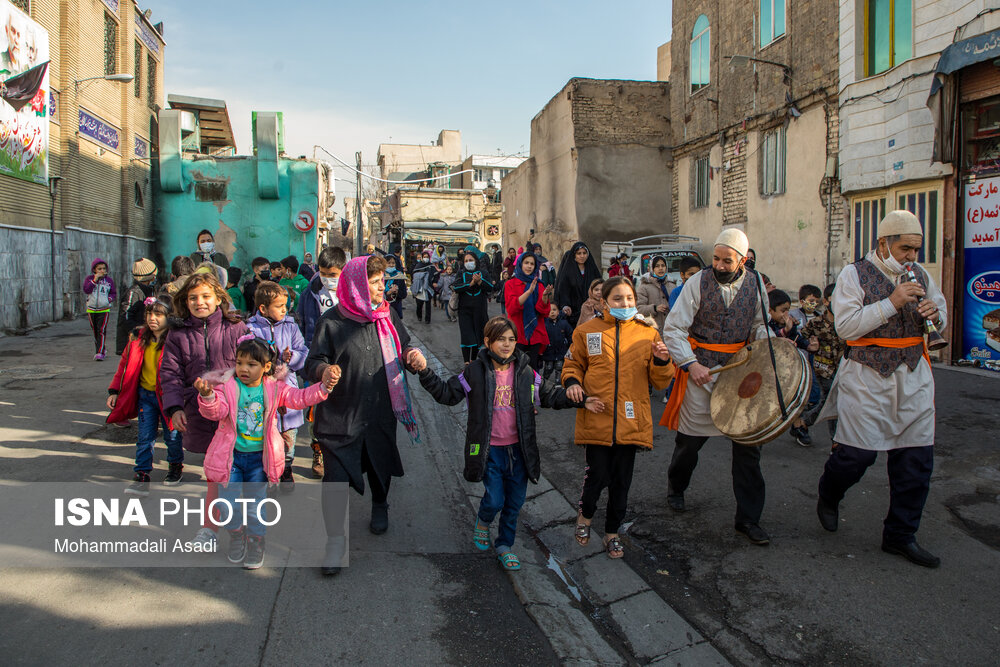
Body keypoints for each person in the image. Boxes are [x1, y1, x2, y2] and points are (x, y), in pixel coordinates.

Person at [815, 210, 946, 568]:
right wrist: (893, 302)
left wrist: (937, 314)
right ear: (883, 243)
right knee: (856, 456)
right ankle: (829, 493)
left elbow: (941, 310)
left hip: (914, 375)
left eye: (916, 250)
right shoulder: (853, 274)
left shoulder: (919, 274)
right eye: (905, 248)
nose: (911, 257)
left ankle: (900, 535)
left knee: (915, 460)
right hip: (868, 376)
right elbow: (845, 327)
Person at [418, 316, 601, 571]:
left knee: (514, 502)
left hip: (520, 450)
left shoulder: (525, 371)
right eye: (500, 339)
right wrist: (424, 372)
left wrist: (580, 400)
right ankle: (483, 520)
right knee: (494, 499)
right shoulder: (474, 372)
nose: (506, 345)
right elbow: (447, 394)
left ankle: (505, 545)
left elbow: (549, 394)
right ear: (487, 342)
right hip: (488, 450)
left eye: (511, 339)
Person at [304, 255, 427, 576]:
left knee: (379, 463)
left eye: (382, 280)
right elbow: (312, 361)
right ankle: (334, 541)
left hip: (379, 412)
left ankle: (379, 503)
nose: (381, 286)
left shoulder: (387, 317)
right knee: (334, 480)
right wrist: (324, 370)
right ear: (358, 284)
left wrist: (412, 356)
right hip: (338, 416)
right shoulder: (332, 321)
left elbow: (405, 347)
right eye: (374, 282)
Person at [660, 229, 773, 545]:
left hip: (740, 375)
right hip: (702, 372)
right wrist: (690, 363)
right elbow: (674, 329)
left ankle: (748, 519)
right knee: (689, 445)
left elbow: (760, 324)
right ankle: (676, 486)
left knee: (749, 449)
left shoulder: (756, 284)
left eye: (728, 260)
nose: (720, 266)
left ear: (743, 259)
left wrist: (765, 345)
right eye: (717, 259)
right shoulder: (697, 283)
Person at [196, 336, 337, 569]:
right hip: (230, 458)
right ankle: (236, 535)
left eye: (251, 364)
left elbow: (299, 398)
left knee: (255, 506)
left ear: (266, 367)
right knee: (225, 505)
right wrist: (207, 397)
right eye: (239, 363)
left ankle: (256, 541)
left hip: (258, 460)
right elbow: (216, 412)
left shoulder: (274, 388)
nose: (243, 369)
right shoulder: (227, 386)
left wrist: (323, 388)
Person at [564, 276, 674, 559]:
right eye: (617, 299)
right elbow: (573, 363)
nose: (625, 304)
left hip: (631, 418)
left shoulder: (647, 333)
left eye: (629, 299)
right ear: (604, 302)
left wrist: (662, 361)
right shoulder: (587, 332)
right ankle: (585, 516)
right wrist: (573, 383)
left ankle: (612, 532)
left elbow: (660, 382)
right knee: (597, 475)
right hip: (597, 414)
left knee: (622, 481)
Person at [160, 268, 250, 548]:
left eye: (206, 296)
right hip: (198, 410)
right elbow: (170, 375)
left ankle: (222, 528)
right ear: (185, 302)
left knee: (231, 473)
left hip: (237, 414)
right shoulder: (176, 335)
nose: (200, 302)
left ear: (219, 297)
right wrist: (175, 407)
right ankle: (218, 529)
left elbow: (254, 365)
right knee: (217, 473)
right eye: (193, 298)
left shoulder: (236, 327)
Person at [107, 296, 183, 494]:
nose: (152, 318)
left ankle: (175, 466)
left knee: (172, 436)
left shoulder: (176, 340)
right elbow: (124, 366)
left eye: (158, 314)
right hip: (146, 395)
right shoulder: (138, 338)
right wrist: (114, 391)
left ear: (169, 317)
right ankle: (141, 475)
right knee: (144, 436)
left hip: (169, 397)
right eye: (150, 313)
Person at [247, 281, 310, 492]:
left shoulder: (291, 326)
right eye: (279, 305)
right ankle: (268, 470)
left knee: (289, 434)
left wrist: (292, 358)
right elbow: (246, 357)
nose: (284, 309)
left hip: (288, 390)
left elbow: (303, 352)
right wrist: (269, 360)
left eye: (286, 305)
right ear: (263, 308)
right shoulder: (251, 328)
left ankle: (287, 468)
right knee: (267, 434)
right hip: (262, 391)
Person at [298, 245, 348, 478]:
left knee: (343, 411)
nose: (327, 279)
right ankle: (318, 453)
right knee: (316, 412)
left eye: (332, 274)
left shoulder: (353, 293)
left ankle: (341, 452)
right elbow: (302, 325)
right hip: (317, 360)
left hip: (345, 362)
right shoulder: (309, 294)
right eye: (323, 273)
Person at [767, 289, 820, 447]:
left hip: (792, 367)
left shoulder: (789, 323)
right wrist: (785, 331)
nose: (786, 314)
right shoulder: (766, 324)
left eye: (788, 310)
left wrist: (810, 346)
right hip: (772, 371)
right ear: (770, 310)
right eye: (783, 311)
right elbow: (771, 337)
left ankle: (798, 425)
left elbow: (799, 340)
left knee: (804, 397)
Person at [800, 283, 844, 441]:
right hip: (823, 368)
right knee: (833, 400)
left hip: (841, 368)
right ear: (826, 302)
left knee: (832, 400)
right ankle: (836, 439)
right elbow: (800, 338)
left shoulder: (845, 322)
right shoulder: (816, 323)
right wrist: (811, 346)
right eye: (836, 299)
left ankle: (804, 421)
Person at [504, 252, 553, 369]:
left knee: (533, 370)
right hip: (518, 333)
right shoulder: (510, 284)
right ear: (520, 264)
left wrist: (545, 296)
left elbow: (544, 311)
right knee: (516, 369)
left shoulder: (539, 285)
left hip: (535, 333)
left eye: (532, 264)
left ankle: (532, 388)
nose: (529, 266)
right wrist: (528, 292)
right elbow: (511, 308)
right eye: (526, 263)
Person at [454, 251, 495, 363]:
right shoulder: (461, 273)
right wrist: (471, 284)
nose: (468, 263)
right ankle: (466, 361)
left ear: (476, 261)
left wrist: (480, 281)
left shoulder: (483, 272)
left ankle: (474, 360)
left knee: (478, 334)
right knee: (467, 335)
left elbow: (490, 287)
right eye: (466, 261)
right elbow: (456, 287)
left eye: (471, 260)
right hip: (464, 310)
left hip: (480, 310)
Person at [115, 258, 157, 355]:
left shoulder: (150, 290)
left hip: (144, 336)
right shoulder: (133, 292)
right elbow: (125, 316)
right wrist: (137, 329)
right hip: (134, 339)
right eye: (154, 276)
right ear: (149, 277)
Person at [555, 242, 601, 327]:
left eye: (584, 253)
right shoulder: (568, 271)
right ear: (574, 255)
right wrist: (565, 305)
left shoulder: (591, 269)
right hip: (573, 312)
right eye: (579, 253)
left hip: (592, 311)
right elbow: (563, 290)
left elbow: (599, 285)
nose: (582, 256)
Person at [83, 258, 116, 361]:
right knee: (95, 331)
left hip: (104, 309)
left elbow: (113, 293)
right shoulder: (89, 279)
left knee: (101, 330)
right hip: (92, 309)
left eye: (104, 268)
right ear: (94, 270)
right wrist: (94, 280)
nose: (102, 271)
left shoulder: (109, 281)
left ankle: (99, 352)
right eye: (99, 269)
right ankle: (102, 348)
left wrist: (108, 300)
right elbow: (86, 290)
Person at [636, 255, 673, 331]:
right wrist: (654, 308)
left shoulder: (672, 285)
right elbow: (638, 309)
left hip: (670, 330)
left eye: (663, 265)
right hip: (653, 329)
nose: (660, 268)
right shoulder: (644, 286)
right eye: (657, 266)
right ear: (652, 269)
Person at [541, 306, 573, 384]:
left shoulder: (564, 323)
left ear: (558, 312)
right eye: (549, 311)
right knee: (548, 368)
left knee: (559, 368)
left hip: (561, 352)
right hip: (549, 353)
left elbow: (570, 335)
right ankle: (545, 385)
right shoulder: (544, 324)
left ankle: (558, 385)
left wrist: (571, 347)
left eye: (554, 310)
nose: (552, 312)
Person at [410, 250, 438, 324]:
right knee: (419, 304)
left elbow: (436, 275)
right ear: (422, 258)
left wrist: (435, 281)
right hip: (419, 287)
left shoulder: (431, 266)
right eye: (424, 257)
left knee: (428, 304)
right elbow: (414, 276)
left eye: (427, 257)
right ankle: (419, 316)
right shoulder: (418, 266)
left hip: (428, 287)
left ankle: (427, 319)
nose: (426, 258)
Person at [383, 254, 408, 318]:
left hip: (396, 310)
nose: (391, 265)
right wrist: (388, 292)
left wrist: (397, 292)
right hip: (382, 310)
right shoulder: (380, 276)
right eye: (388, 263)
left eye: (393, 263)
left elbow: (404, 294)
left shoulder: (399, 276)